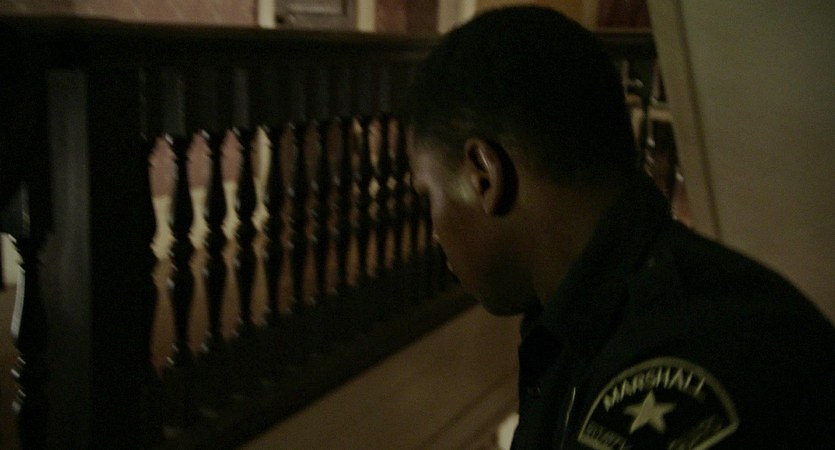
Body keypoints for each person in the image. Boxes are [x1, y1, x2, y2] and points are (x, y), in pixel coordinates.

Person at [404, 6, 835, 449]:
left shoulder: (674, 368)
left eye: (429, 196)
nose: (434, 231)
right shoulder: (599, 315)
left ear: (483, 175)